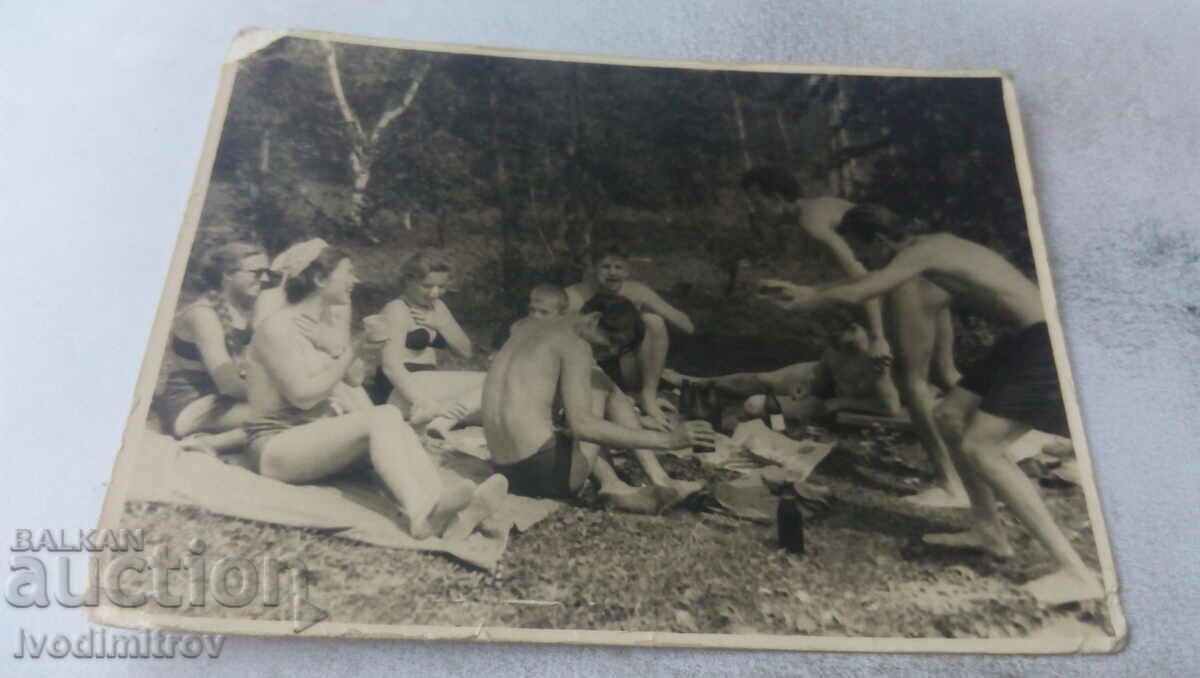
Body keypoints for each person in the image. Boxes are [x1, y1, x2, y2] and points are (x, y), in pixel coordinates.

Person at [757, 228, 1103, 605]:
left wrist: (807, 298)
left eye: (865, 252)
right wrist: (810, 289)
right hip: (1023, 339)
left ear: (882, 240)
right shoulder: (934, 251)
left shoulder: (926, 250)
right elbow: (864, 283)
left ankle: (1077, 574)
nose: (867, 263)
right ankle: (989, 530)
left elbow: (861, 290)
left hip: (1046, 338)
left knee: (981, 448)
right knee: (950, 416)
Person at [245, 240, 506, 541]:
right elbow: (303, 397)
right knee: (381, 417)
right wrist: (353, 348)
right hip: (275, 447)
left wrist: (348, 349)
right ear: (319, 279)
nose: (355, 280)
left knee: (391, 416)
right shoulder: (277, 328)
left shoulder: (321, 324)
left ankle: (453, 514)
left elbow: (353, 380)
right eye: (348, 272)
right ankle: (421, 516)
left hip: (314, 437)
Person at [742, 167, 967, 508]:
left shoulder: (810, 220)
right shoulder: (821, 205)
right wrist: (810, 290)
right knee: (947, 373)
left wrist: (878, 336)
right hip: (929, 275)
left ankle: (950, 483)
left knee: (913, 383)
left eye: (755, 200)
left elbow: (864, 276)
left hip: (909, 282)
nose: (752, 209)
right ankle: (1004, 437)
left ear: (775, 198)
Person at [483, 293, 712, 512]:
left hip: (505, 472)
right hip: (546, 474)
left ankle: (614, 483)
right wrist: (668, 440)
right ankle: (652, 479)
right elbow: (582, 425)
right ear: (593, 318)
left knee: (584, 393)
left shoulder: (526, 328)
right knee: (602, 383)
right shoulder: (575, 344)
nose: (610, 351)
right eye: (612, 341)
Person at [664, 309, 902, 425]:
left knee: (756, 404)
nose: (828, 341)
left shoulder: (875, 357)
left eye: (833, 335)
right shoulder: (838, 347)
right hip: (830, 391)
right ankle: (698, 382)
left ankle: (743, 424)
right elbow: (826, 372)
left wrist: (839, 403)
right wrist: (808, 385)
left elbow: (889, 407)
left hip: (841, 402)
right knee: (767, 380)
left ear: (854, 329)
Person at [565, 244, 695, 431]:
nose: (612, 273)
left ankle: (648, 397)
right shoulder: (575, 295)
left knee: (653, 321)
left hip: (626, 365)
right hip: (592, 366)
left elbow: (687, 327)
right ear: (594, 268)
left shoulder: (636, 291)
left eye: (618, 267)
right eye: (605, 267)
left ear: (628, 270)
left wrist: (648, 308)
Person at [156, 242, 271, 451]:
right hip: (189, 406)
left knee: (303, 412)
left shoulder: (241, 313)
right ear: (228, 274)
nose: (264, 279)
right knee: (292, 414)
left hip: (220, 402)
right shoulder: (203, 315)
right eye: (257, 272)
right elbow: (229, 384)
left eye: (268, 273)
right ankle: (212, 443)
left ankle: (221, 441)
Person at [369, 252, 483, 438]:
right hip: (400, 390)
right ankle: (442, 419)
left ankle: (441, 420)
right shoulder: (396, 309)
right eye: (427, 286)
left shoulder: (437, 306)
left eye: (442, 287)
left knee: (496, 396)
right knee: (492, 381)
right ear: (408, 280)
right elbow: (390, 367)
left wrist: (441, 325)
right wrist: (423, 403)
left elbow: (466, 352)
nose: (435, 293)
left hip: (427, 384)